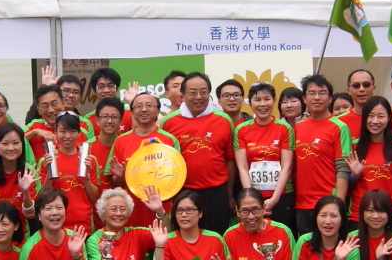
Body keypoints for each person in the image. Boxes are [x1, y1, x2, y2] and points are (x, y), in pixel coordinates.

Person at [163, 72, 236, 234]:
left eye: (203, 92)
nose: (198, 97)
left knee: (216, 237)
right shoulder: (168, 122)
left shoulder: (224, 120)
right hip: (183, 192)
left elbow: (230, 159)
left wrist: (229, 194)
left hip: (216, 192)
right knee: (184, 237)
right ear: (183, 94)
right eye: (192, 92)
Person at [291, 75, 353, 234]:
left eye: (322, 93)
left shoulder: (339, 127)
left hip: (328, 206)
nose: (317, 97)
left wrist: (338, 204)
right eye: (311, 93)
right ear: (304, 99)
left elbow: (343, 168)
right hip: (302, 205)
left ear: (330, 98)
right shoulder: (298, 128)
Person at [109, 93, 177, 227]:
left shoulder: (169, 140)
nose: (144, 109)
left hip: (161, 209)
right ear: (132, 112)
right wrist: (121, 176)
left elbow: (177, 177)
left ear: (158, 110)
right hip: (131, 211)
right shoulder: (121, 141)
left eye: (149, 105)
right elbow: (116, 183)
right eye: (138, 106)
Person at [235, 83, 295, 232]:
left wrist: (274, 199)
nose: (262, 104)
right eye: (257, 100)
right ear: (250, 103)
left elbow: (286, 167)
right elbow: (242, 168)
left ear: (274, 101)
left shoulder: (284, 128)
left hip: (281, 196)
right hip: (253, 199)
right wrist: (252, 200)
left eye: (267, 99)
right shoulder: (241, 130)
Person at [346, 97, 392, 232]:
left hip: (389, 215)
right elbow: (344, 186)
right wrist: (354, 175)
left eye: (380, 116)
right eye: (371, 116)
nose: (375, 121)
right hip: (358, 216)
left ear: (388, 119)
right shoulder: (353, 147)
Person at [36, 115, 99, 231]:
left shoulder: (89, 160)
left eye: (72, 131)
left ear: (79, 133)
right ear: (55, 133)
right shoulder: (46, 161)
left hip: (82, 224)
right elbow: (41, 197)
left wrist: (86, 177)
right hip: (55, 224)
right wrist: (50, 172)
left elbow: (94, 198)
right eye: (63, 131)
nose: (68, 136)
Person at [0, 123, 36, 224]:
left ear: (22, 144)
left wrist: (25, 191)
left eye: (16, 143)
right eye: (5, 144)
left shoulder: (29, 172)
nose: (11, 148)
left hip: (22, 230)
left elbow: (31, 214)